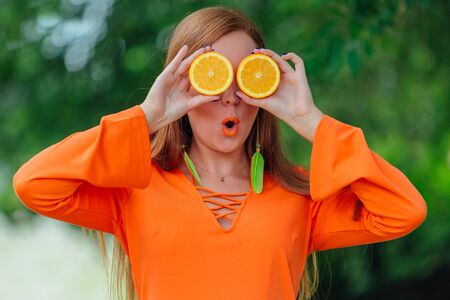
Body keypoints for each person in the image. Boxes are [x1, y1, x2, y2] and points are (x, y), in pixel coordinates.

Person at [12, 5, 427, 300]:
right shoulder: (133, 189)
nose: (230, 97)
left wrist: (310, 120)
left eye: (245, 77)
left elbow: (403, 210)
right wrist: (147, 115)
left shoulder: (302, 196)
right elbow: (34, 185)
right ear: (182, 84)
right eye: (211, 78)